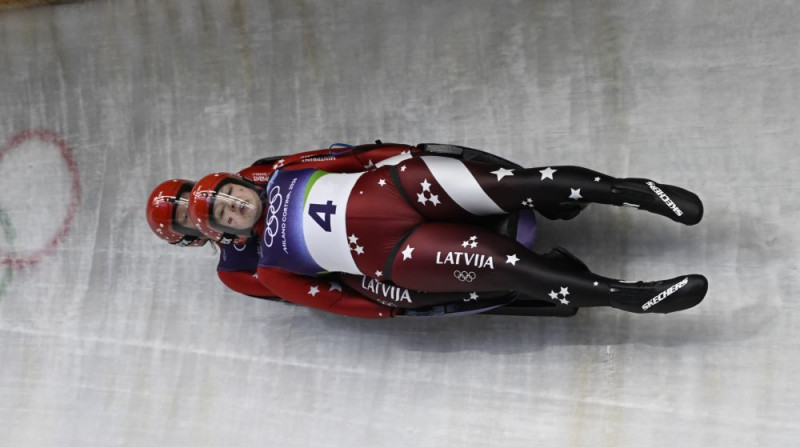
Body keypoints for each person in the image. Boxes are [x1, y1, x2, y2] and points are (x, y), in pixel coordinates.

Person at [187, 143, 709, 319]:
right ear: (223, 232)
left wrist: (399, 154)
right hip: (397, 253)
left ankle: (635, 192)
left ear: (240, 182)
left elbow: (351, 157)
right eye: (227, 215)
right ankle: (626, 296)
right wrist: (387, 305)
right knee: (511, 269)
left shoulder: (284, 170)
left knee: (521, 184)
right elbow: (330, 299)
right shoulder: (270, 267)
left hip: (398, 187)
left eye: (232, 197)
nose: (237, 208)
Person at [148, 142, 564, 317]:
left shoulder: (249, 180)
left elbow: (323, 161)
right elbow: (300, 293)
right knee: (400, 274)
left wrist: (393, 153)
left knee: (411, 183)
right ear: (191, 235)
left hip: (368, 203)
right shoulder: (233, 272)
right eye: (185, 218)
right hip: (351, 262)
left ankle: (542, 195)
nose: (192, 210)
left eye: (186, 200)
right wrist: (383, 308)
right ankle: (516, 280)